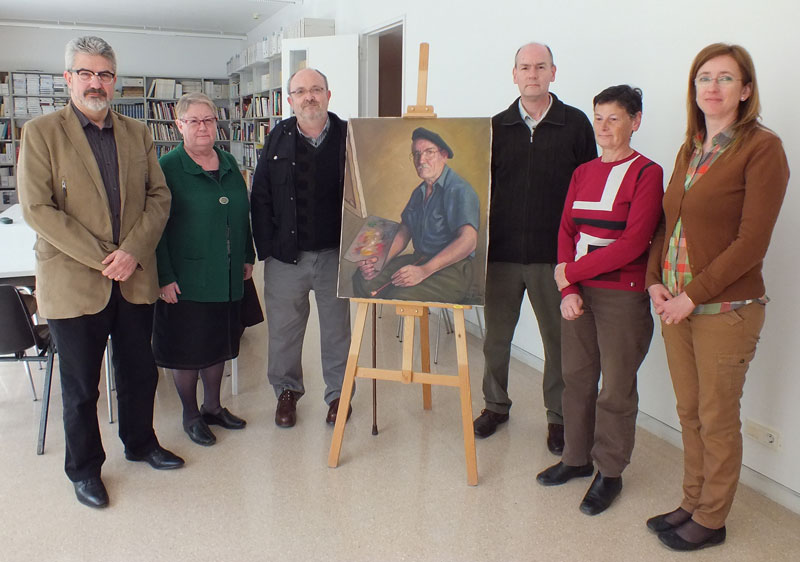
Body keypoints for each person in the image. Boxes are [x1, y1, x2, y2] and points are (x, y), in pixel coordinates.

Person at [17, 36, 184, 509]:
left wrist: (131, 252)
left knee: (139, 373)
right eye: (86, 73)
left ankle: (141, 443)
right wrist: (103, 258)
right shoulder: (41, 132)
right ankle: (85, 469)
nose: (96, 83)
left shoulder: (137, 133)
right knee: (80, 387)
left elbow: (159, 196)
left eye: (105, 74)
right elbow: (38, 209)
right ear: (68, 78)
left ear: (115, 80)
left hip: (133, 277)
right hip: (74, 282)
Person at [645, 44, 789, 551]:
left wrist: (691, 296)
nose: (712, 86)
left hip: (725, 312)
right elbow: (667, 221)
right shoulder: (690, 147)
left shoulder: (762, 149)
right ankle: (691, 501)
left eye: (725, 78)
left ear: (745, 90)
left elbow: (751, 244)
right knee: (689, 412)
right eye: (704, 77)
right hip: (675, 306)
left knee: (717, 418)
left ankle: (712, 517)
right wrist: (655, 280)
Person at [535, 86, 663, 516]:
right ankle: (575, 458)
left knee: (616, 387)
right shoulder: (583, 172)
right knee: (576, 377)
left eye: (614, 118)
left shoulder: (647, 173)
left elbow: (634, 243)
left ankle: (610, 471)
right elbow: (566, 230)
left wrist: (570, 274)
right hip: (578, 293)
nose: (604, 127)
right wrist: (569, 289)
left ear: (635, 121)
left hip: (621, 295)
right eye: (598, 118)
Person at [475, 42, 596, 453]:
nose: (532, 74)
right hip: (502, 256)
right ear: (514, 75)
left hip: (555, 258)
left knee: (558, 343)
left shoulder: (576, 125)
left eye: (540, 67)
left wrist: (578, 256)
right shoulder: (495, 127)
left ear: (553, 73)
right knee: (496, 339)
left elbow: (588, 190)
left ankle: (558, 417)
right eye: (525, 67)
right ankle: (495, 406)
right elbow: (482, 190)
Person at [250, 68, 351, 428]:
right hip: (286, 257)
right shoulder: (277, 137)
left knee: (337, 332)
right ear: (290, 100)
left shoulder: (349, 137)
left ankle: (339, 395)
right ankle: (287, 392)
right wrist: (267, 250)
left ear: (328, 95)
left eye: (316, 89)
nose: (309, 97)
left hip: (335, 255)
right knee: (284, 332)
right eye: (300, 91)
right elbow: (261, 195)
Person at [153, 92, 255, 446]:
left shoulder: (227, 161)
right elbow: (155, 229)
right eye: (193, 121)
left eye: (208, 120)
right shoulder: (167, 168)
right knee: (187, 350)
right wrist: (164, 277)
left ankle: (213, 407)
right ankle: (191, 414)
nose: (202, 127)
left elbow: (241, 213)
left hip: (225, 275)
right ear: (178, 125)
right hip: (186, 278)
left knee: (217, 343)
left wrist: (247, 255)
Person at [352, 127, 480, 303]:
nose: (421, 160)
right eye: (416, 154)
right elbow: (404, 232)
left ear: (444, 155)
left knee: (401, 297)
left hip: (453, 267)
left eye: (429, 152)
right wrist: (380, 262)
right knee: (363, 281)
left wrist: (424, 271)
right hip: (419, 259)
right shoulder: (419, 192)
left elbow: (469, 241)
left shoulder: (459, 190)